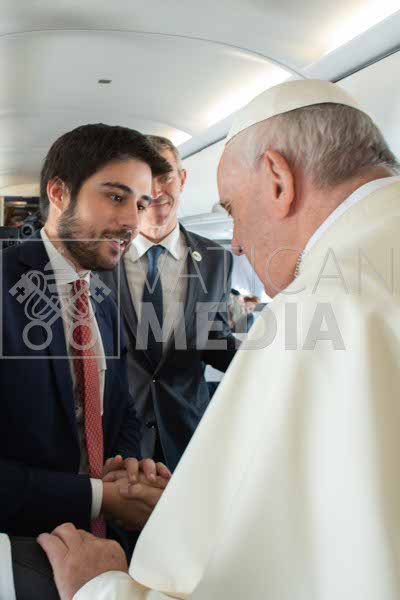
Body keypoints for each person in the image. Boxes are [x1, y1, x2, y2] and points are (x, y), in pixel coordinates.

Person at [40, 79, 400, 600]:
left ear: (278, 179)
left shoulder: (317, 303)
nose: (237, 242)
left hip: (181, 431)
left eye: (231, 209)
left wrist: (100, 588)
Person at [0, 124, 173, 597]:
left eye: (140, 204)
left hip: (102, 552)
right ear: (59, 193)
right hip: (21, 555)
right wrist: (101, 497)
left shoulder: (101, 297)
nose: (132, 221)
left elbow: (119, 409)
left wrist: (128, 469)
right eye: (116, 197)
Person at [100, 135, 238, 471]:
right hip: (116, 435)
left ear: (183, 178)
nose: (156, 190)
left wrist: (267, 361)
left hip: (187, 431)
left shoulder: (215, 258)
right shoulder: (98, 258)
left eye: (165, 176)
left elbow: (213, 339)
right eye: (145, 180)